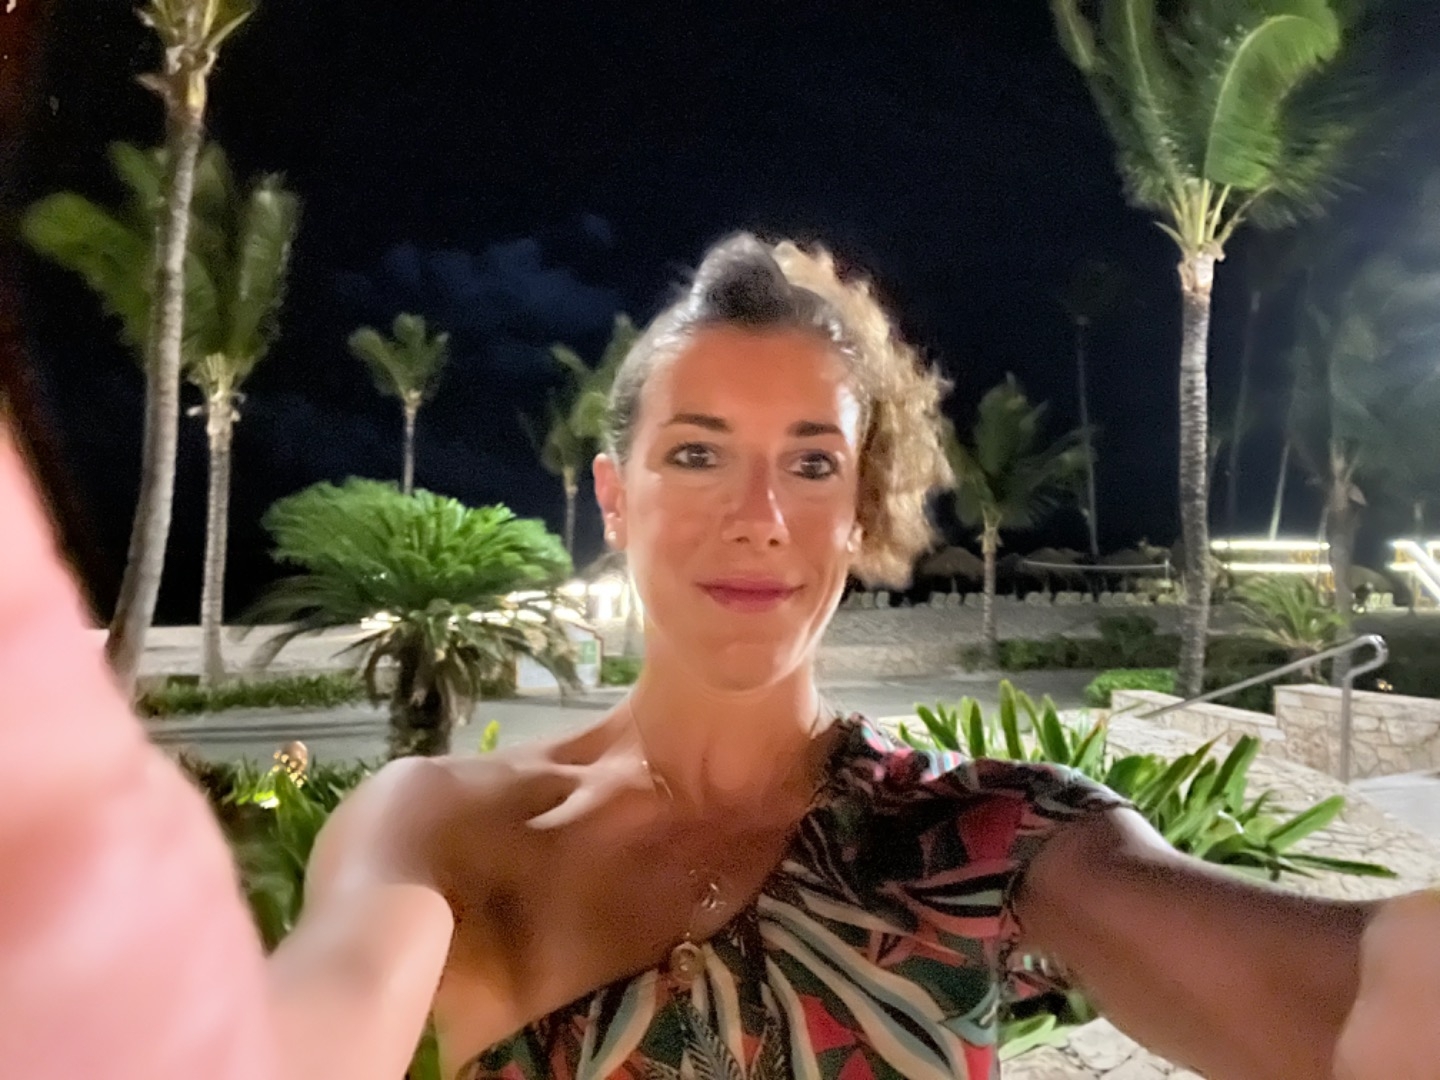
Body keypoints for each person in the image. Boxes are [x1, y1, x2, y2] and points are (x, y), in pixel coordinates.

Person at [1, 235, 1439, 1080]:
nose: (758, 515)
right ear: (616, 499)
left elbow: (1354, 998)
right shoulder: (448, 826)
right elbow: (313, 1023)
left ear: (857, 509)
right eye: (697, 454)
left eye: (811, 463)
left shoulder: (981, 840)